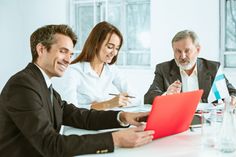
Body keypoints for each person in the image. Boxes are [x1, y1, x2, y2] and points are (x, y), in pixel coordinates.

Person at [0, 24, 154, 157]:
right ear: (41, 49)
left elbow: (80, 116)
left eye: (70, 53)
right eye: (62, 51)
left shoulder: (44, 85)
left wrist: (124, 117)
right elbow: (50, 144)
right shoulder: (23, 85)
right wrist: (115, 139)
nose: (68, 59)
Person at [144, 30, 236, 105]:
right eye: (178, 51)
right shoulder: (163, 69)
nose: (183, 56)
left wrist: (233, 98)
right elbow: (148, 98)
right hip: (176, 121)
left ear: (198, 50)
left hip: (206, 122)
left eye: (187, 51)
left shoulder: (213, 68)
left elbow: (233, 92)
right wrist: (166, 95)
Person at [58, 21, 135, 110]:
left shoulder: (112, 70)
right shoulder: (73, 71)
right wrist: (107, 104)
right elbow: (70, 111)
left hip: (102, 121)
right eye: (110, 47)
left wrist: (114, 103)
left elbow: (135, 98)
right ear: (96, 44)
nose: (114, 53)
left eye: (117, 48)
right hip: (82, 123)